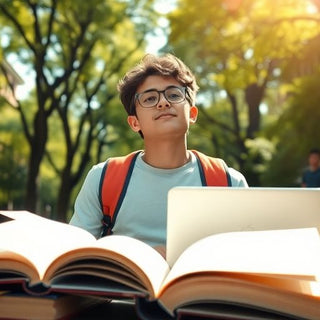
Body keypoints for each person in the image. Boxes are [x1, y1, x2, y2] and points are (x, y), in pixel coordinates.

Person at [69, 53, 248, 257]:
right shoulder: (103, 178)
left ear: (192, 114)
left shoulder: (229, 182)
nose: (163, 103)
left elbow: (245, 258)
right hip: (127, 287)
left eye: (173, 95)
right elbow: (75, 256)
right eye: (150, 98)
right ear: (134, 123)